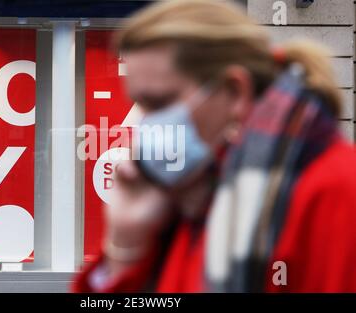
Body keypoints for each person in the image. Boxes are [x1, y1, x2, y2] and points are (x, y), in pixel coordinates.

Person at [72, 0, 356, 292]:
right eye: (139, 105)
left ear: (235, 91)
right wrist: (126, 245)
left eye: (159, 104)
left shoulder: (336, 191)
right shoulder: (193, 193)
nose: (139, 124)